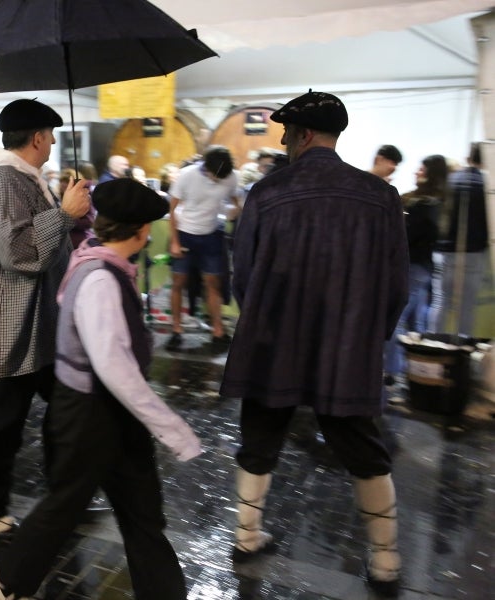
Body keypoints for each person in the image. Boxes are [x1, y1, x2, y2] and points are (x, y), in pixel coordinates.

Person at [219, 91, 409, 598]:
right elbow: (396, 285)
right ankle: (386, 560)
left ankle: (246, 534)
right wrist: (370, 335)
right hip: (346, 343)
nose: (282, 140)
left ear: (302, 135)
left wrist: (260, 316)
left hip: (275, 337)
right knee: (362, 447)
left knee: (260, 436)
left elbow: (244, 273)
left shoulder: (266, 192)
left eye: (286, 132)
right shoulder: (380, 195)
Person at [0, 178, 202, 600]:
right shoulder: (101, 277)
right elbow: (113, 367)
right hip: (91, 413)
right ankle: (8, 580)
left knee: (141, 511)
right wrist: (172, 428)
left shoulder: (96, 261)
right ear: (141, 232)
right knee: (67, 503)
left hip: (105, 410)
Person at [0, 98, 91, 537]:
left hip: (40, 322)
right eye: (50, 135)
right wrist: (64, 214)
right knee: (3, 422)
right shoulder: (2, 180)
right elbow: (18, 251)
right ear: (37, 137)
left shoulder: (22, 177)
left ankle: (64, 497)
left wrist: (68, 212)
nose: (51, 143)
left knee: (67, 410)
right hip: (14, 325)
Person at [167, 145, 239, 350]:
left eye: (220, 177)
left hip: (212, 235)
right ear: (205, 166)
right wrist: (174, 241)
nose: (216, 180)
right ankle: (177, 329)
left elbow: (235, 201)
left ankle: (218, 330)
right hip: (185, 233)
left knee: (212, 283)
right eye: (213, 175)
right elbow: (172, 210)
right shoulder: (187, 175)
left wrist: (234, 210)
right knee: (179, 282)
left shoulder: (230, 177)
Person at [383, 155, 446, 383]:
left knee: (397, 320)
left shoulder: (424, 204)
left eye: (421, 168)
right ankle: (413, 372)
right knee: (416, 322)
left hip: (412, 265)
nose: (416, 172)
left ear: (430, 173)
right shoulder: (437, 202)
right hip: (424, 266)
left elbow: (409, 236)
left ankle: (393, 373)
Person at [429, 142, 489, 336]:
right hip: (474, 253)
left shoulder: (451, 180)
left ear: (467, 157)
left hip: (444, 251)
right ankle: (462, 350)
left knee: (441, 300)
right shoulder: (488, 186)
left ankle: (433, 344)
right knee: (467, 304)